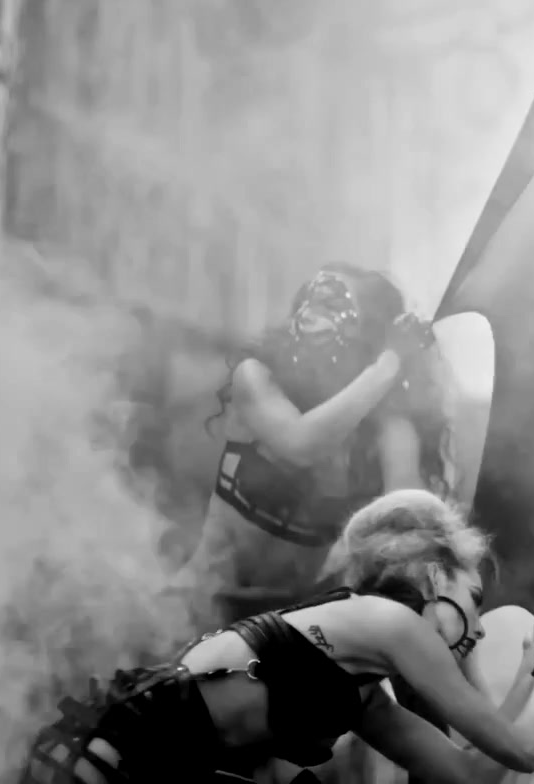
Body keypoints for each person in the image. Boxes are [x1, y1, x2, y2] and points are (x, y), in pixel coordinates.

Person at [21, 489, 534, 784]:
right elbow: (523, 750)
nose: (478, 625)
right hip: (114, 760)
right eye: (473, 599)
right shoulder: (392, 624)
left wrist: (532, 665)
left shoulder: (363, 687)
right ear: (431, 576)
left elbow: (470, 775)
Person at [166, 264, 458, 623]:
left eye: (332, 306)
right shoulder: (256, 376)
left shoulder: (386, 424)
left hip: (290, 621)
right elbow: (300, 444)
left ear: (367, 332)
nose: (310, 317)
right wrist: (389, 364)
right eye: (310, 301)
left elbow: (406, 513)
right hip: (201, 604)